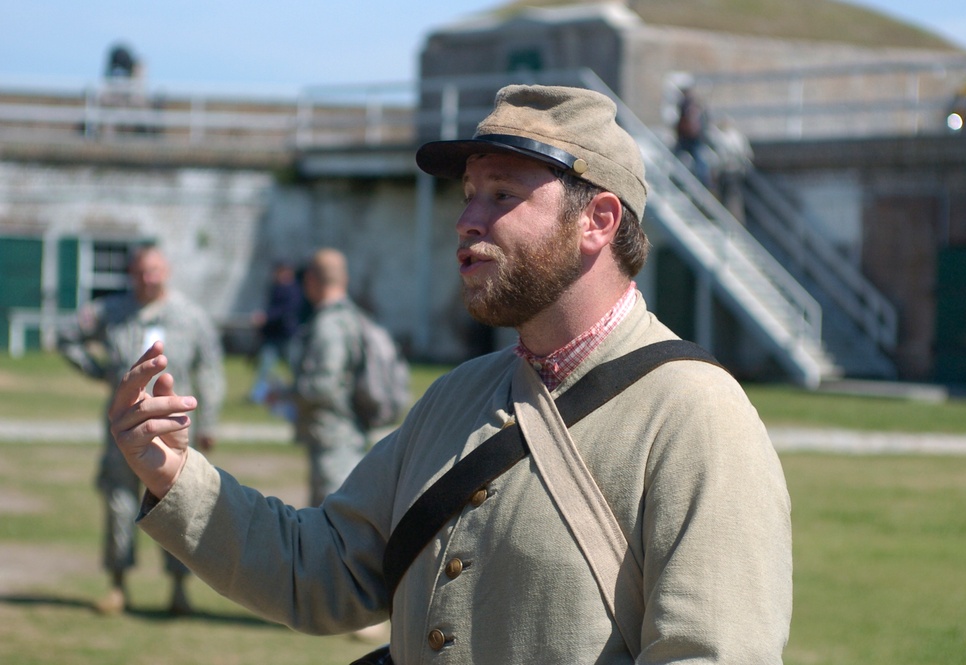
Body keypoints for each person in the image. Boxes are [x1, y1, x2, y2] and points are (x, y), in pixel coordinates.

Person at [108, 85, 792, 662]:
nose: (466, 220)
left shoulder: (699, 416)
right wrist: (173, 473)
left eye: (501, 194)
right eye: (468, 194)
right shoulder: (455, 397)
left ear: (599, 220)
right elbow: (323, 566)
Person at [58, 244, 225, 616]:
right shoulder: (112, 311)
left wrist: (210, 421)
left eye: (154, 270)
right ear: (131, 274)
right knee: (119, 499)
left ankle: (179, 589)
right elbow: (66, 336)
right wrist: (100, 371)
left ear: (166, 271)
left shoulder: (190, 315)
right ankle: (117, 585)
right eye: (140, 272)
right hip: (123, 424)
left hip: (172, 427)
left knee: (178, 504)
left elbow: (211, 369)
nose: (148, 278)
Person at [284, 248, 368, 507]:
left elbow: (325, 384)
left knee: (331, 515)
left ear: (311, 280)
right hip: (346, 429)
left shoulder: (328, 325)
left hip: (333, 434)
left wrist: (288, 392)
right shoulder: (354, 317)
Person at [249, 260, 304, 404]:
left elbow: (286, 310)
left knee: (295, 366)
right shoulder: (275, 288)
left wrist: (267, 317)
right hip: (273, 336)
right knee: (265, 367)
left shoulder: (293, 289)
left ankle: (301, 392)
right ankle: (257, 396)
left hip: (287, 335)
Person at [674, 84, 712, 188]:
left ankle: (703, 184)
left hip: (694, 139)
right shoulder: (686, 105)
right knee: (695, 161)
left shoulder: (690, 105)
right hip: (688, 138)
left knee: (699, 162)